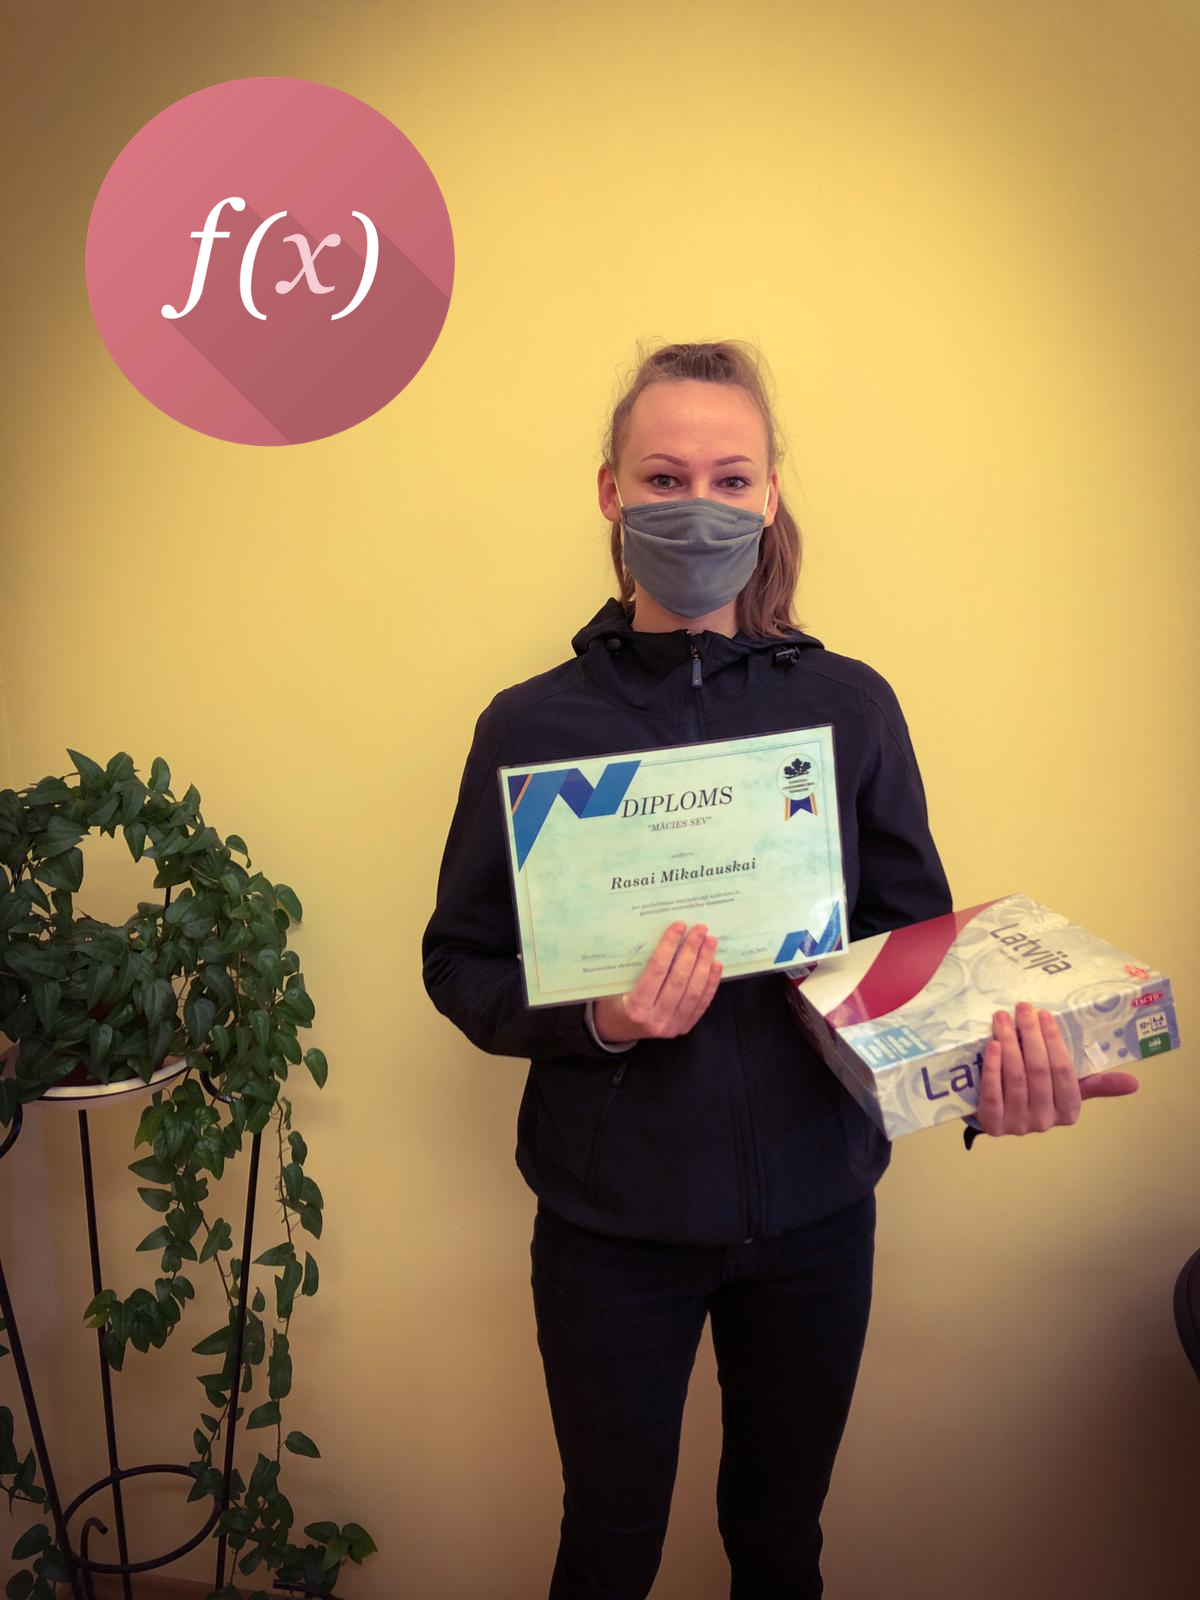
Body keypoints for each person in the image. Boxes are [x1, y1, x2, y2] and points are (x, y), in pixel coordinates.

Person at [421, 341, 1139, 1599]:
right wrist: (600, 1019)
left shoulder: (850, 707)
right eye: (664, 477)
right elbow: (460, 963)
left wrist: (990, 1076)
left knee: (779, 1540)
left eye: (731, 477)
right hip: (610, 1231)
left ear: (768, 497)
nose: (697, 504)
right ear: (611, 493)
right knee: (609, 1548)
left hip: (816, 1220)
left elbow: (916, 961)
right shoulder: (532, 726)